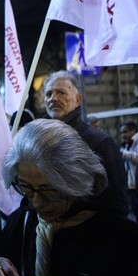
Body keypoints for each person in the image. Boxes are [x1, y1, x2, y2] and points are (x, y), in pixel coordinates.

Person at [0, 119, 138, 276]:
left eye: (48, 190)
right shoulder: (21, 222)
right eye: (26, 187)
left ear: (75, 181)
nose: (36, 202)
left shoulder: (124, 240)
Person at [43, 70, 127, 215]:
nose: (53, 98)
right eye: (48, 94)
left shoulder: (101, 142)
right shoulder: (38, 140)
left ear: (78, 100)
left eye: (61, 93)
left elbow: (117, 200)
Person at [119, 121, 138, 225]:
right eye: (121, 133)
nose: (123, 135)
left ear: (133, 130)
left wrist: (122, 152)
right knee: (136, 211)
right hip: (132, 183)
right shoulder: (127, 143)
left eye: (125, 132)